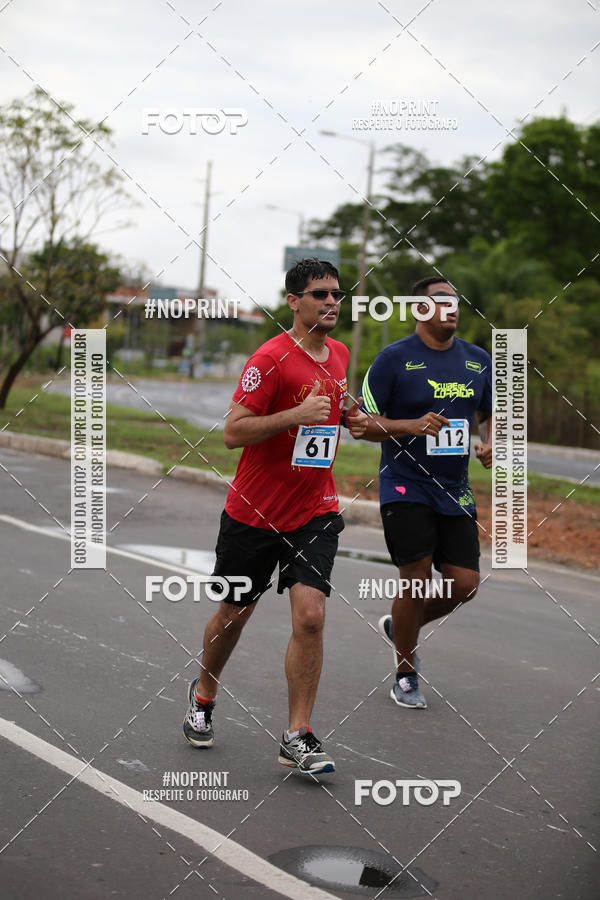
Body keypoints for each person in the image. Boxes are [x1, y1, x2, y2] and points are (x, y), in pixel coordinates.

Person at [183, 258, 367, 774]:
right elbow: (233, 432)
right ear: (294, 302)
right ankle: (203, 694)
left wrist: (348, 415)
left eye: (337, 294)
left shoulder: (340, 354)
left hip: (315, 509)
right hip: (254, 512)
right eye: (320, 294)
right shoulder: (269, 359)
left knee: (311, 616)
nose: (332, 302)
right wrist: (295, 416)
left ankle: (297, 734)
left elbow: (331, 409)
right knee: (234, 616)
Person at [361, 277, 492, 709]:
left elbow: (489, 414)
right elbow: (363, 424)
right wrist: (411, 425)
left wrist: (490, 441)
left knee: (466, 584)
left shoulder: (478, 360)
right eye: (440, 302)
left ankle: (403, 627)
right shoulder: (393, 359)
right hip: (405, 484)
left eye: (455, 301)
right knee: (414, 579)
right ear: (419, 310)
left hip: (454, 489)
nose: (451, 308)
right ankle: (405, 672)